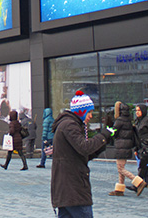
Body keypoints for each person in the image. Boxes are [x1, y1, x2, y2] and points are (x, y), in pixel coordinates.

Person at [51, 90, 112, 218]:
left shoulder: (69, 124)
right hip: (73, 189)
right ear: (81, 111)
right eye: (89, 112)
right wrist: (104, 135)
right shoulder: (69, 125)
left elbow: (82, 155)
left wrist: (101, 146)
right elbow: (84, 148)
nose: (91, 116)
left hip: (67, 189)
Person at [109, 102, 146, 196]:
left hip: (120, 145)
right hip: (126, 146)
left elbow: (114, 132)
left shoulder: (119, 120)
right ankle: (119, 190)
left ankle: (139, 182)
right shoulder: (128, 120)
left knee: (121, 169)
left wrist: (109, 132)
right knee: (121, 167)